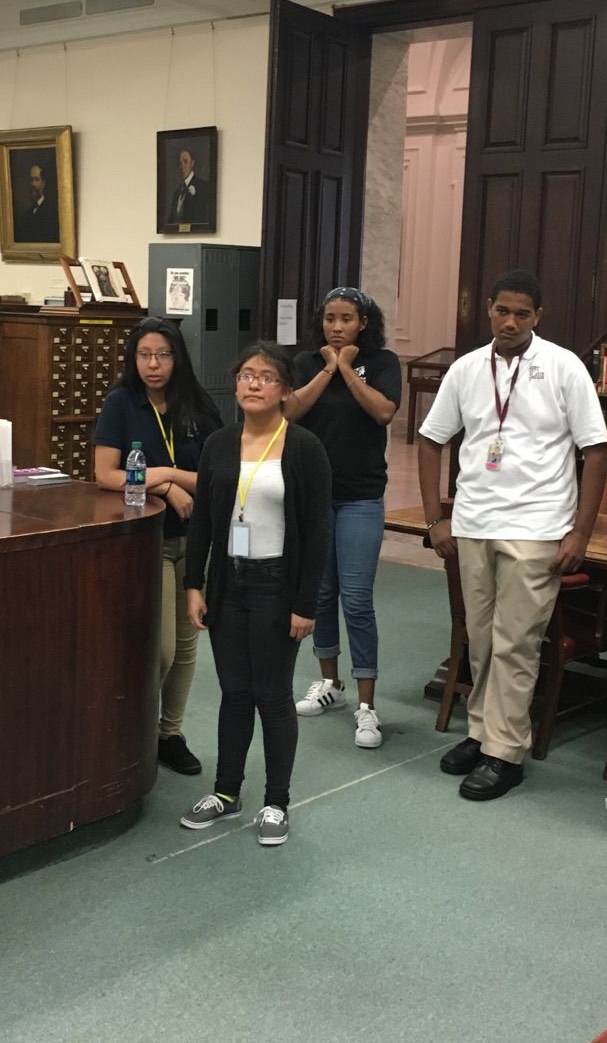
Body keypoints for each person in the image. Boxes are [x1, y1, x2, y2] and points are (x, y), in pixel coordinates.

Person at [417, 270, 607, 802]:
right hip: (475, 521)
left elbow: (596, 450)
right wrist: (436, 519)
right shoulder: (465, 369)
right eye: (502, 311)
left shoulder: (563, 366)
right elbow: (431, 440)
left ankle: (505, 752)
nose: (510, 321)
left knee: (516, 643)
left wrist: (580, 531)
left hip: (539, 526)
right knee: (479, 639)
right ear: (488, 309)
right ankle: (481, 734)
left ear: (538, 317)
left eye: (522, 314)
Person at [181, 343, 332, 846]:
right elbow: (203, 517)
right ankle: (226, 793)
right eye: (246, 374)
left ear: (285, 391)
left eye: (266, 377)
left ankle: (276, 801)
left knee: (271, 694)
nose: (252, 384)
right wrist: (195, 584)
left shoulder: (304, 447)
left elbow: (317, 532)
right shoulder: (220, 444)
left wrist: (305, 604)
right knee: (234, 692)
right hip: (228, 583)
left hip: (276, 585)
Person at [93, 318, 223, 776]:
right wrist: (166, 485)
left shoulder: (196, 404)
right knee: (163, 649)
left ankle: (170, 733)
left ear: (177, 357)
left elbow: (217, 471)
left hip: (195, 538)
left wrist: (164, 474)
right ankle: (140, 730)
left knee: (188, 648)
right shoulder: (121, 403)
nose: (153, 364)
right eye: (144, 354)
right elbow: (106, 474)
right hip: (150, 541)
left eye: (163, 354)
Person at [287, 287, 401, 748]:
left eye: (347, 318)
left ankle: (368, 705)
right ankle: (330, 682)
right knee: (321, 593)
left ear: (364, 323)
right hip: (315, 496)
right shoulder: (305, 362)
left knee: (355, 597)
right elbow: (290, 412)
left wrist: (349, 371)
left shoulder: (384, 362)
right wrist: (328, 369)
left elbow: (383, 411)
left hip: (361, 497)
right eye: (330, 319)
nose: (337, 327)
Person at [166, 148, 213, 226]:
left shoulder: (203, 187)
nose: (182, 166)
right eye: (180, 163)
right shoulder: (177, 193)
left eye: (185, 161)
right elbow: (171, 222)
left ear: (192, 163)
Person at [14, 162, 59, 244]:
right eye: (31, 180)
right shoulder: (27, 213)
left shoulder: (51, 210)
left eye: (37, 179)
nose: (33, 184)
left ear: (44, 183)